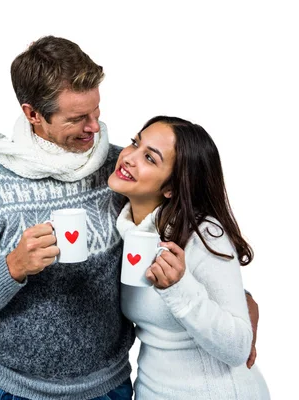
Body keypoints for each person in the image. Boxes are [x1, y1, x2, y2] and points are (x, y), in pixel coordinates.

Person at [0, 36, 259, 400]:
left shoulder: (119, 170)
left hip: (112, 389)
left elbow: (186, 229)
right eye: (77, 119)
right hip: (15, 391)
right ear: (33, 114)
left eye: (96, 112)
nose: (94, 128)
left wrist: (241, 305)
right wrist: (11, 268)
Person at [107, 115, 269, 399]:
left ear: (171, 187)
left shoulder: (203, 234)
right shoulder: (125, 229)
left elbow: (238, 348)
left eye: (150, 158)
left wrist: (177, 288)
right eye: (135, 143)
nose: (130, 157)